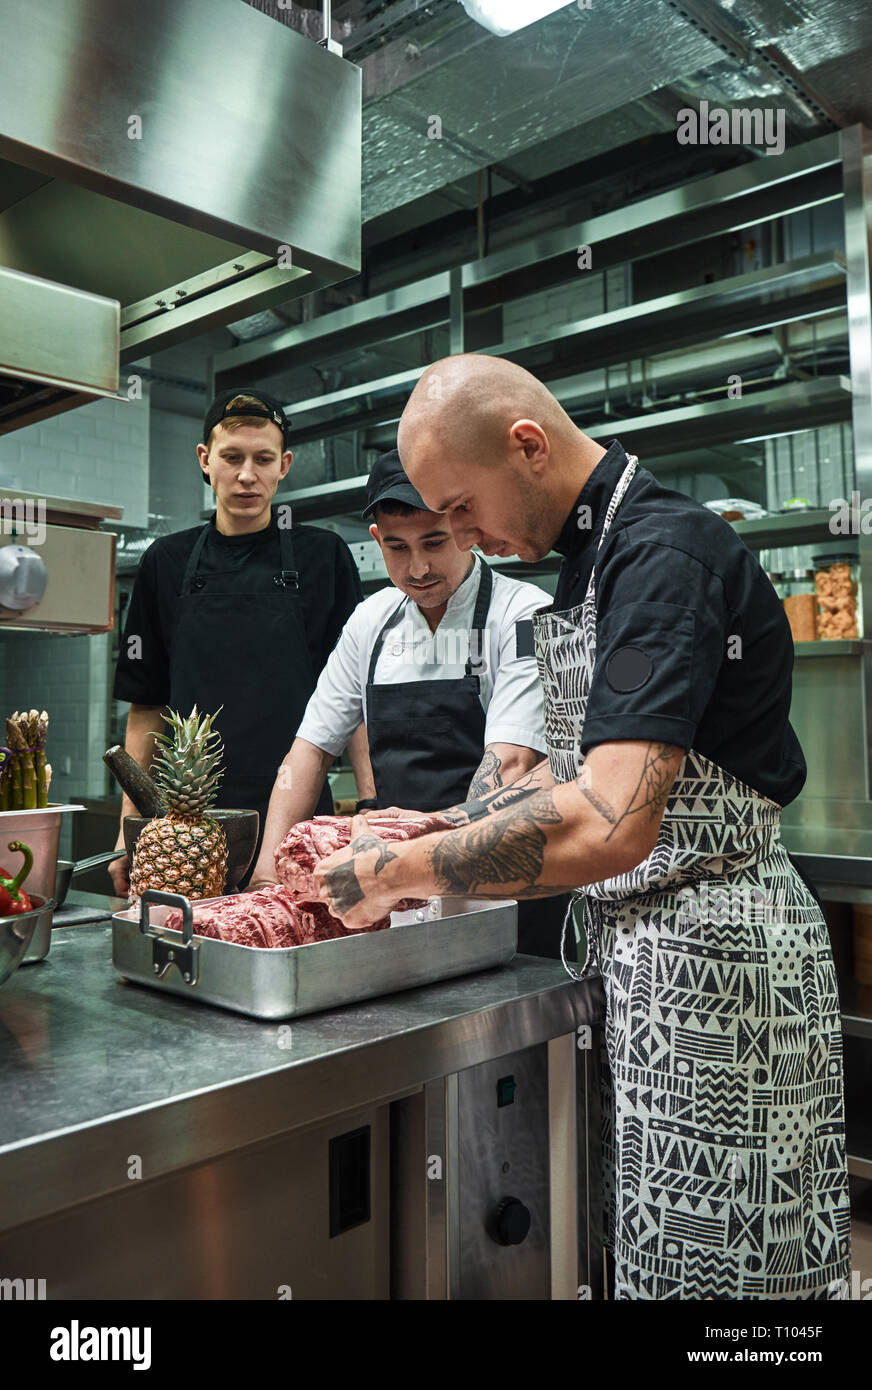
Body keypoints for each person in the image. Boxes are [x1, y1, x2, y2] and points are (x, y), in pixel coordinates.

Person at [311, 354, 852, 1301]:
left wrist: (408, 867)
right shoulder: (597, 560)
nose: (458, 535)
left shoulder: (664, 554)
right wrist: (445, 819)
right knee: (639, 1268)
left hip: (716, 971)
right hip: (637, 966)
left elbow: (610, 821)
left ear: (526, 445)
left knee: (722, 1287)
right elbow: (570, 773)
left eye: (460, 509)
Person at [248, 448, 568, 957]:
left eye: (434, 542)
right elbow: (307, 754)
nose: (417, 568)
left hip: (501, 891)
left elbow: (510, 765)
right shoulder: (370, 622)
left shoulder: (522, 614)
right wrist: (266, 880)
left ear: (465, 529)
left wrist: (407, 864)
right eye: (397, 547)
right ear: (377, 541)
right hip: (392, 897)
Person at [110, 388, 371, 893]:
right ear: (206, 461)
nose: (247, 475)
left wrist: (369, 807)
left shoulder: (325, 558)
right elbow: (146, 706)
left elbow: (356, 699)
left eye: (262, 459)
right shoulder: (164, 562)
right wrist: (130, 833)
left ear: (285, 465)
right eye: (232, 458)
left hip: (298, 815)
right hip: (183, 827)